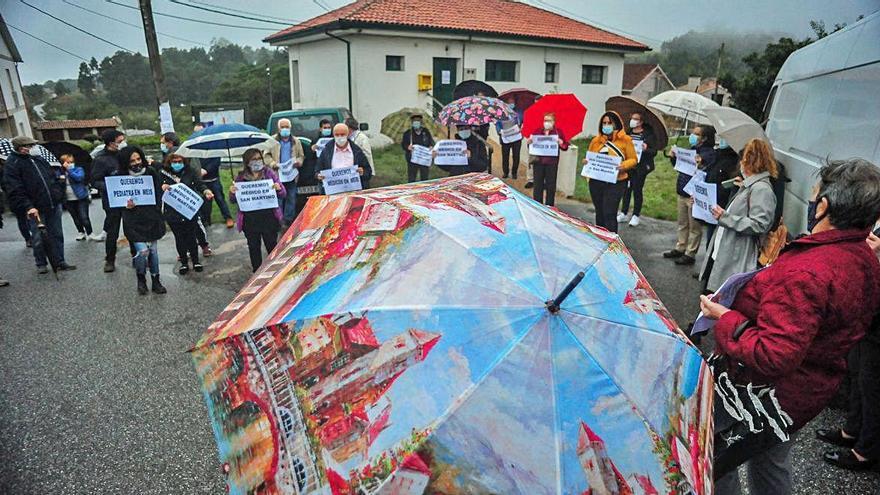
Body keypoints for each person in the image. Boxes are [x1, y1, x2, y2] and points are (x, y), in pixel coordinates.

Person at [700, 158, 880, 495]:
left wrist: (726, 317)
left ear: (824, 205)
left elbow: (773, 355)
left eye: (814, 197)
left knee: (714, 458)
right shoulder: (863, 256)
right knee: (769, 463)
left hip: (766, 393)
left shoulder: (809, 271)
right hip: (805, 391)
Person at [816, 227, 880, 472]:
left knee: (872, 386)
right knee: (857, 375)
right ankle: (851, 430)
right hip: (868, 316)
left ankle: (865, 450)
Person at [698, 139, 777, 294]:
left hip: (736, 253)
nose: (740, 163)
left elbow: (760, 224)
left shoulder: (761, 189)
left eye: (743, 159)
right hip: (725, 249)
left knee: (720, 295)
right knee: (711, 291)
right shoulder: (750, 185)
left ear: (750, 160)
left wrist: (725, 217)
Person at [2, 136, 76, 273]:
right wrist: (28, 206)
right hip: (35, 207)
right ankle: (41, 263)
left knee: (57, 233)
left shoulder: (39, 159)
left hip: (53, 202)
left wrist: (58, 192)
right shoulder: (13, 163)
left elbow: (52, 177)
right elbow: (15, 188)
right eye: (30, 145)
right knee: (38, 236)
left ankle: (60, 260)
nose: (34, 148)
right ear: (21, 147)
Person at [664, 125, 717, 266]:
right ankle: (680, 246)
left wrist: (701, 161)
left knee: (695, 226)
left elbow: (707, 166)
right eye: (693, 133)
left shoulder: (710, 153)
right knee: (682, 223)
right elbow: (681, 166)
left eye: (697, 134)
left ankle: (690, 252)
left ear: (704, 138)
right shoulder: (692, 150)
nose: (693, 136)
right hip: (682, 191)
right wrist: (674, 157)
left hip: (694, 195)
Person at [117, 146, 167, 295]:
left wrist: (163, 189)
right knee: (142, 251)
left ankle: (156, 280)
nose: (136, 163)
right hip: (133, 220)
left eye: (138, 159)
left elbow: (158, 191)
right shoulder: (120, 177)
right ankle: (141, 279)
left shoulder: (151, 172)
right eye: (132, 161)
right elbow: (115, 198)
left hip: (151, 217)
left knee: (153, 251)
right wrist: (125, 205)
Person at [229, 148, 286, 272]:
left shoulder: (269, 173)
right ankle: (257, 272)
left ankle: (275, 270)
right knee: (253, 247)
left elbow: (283, 194)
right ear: (247, 162)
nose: (257, 161)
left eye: (259, 158)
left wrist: (278, 188)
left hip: (269, 217)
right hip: (250, 219)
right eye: (254, 159)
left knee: (271, 245)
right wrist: (233, 192)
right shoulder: (240, 177)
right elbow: (233, 200)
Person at [159, 152, 213, 274]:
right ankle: (183, 262)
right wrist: (163, 187)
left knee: (191, 237)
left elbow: (199, 184)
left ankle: (196, 261)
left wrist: (206, 191)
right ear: (169, 162)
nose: (177, 164)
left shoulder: (190, 172)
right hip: (172, 212)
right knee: (179, 238)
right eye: (174, 162)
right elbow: (157, 189)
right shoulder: (163, 174)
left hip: (189, 210)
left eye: (180, 161)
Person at [584, 111, 637, 231]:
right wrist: (587, 163)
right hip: (597, 182)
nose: (606, 125)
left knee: (610, 212)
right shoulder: (596, 141)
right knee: (600, 212)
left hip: (616, 182)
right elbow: (590, 157)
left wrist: (623, 165)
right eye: (604, 123)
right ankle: (600, 241)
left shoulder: (626, 140)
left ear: (616, 124)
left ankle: (612, 244)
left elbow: (633, 159)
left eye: (609, 123)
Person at [91, 129, 127, 272]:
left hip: (128, 199)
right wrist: (110, 187)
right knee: (113, 231)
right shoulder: (100, 159)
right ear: (111, 143)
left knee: (132, 229)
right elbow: (94, 180)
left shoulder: (124, 155)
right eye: (120, 141)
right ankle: (110, 259)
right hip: (112, 201)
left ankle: (137, 256)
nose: (123, 143)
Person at [618, 112, 657, 227]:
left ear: (641, 122)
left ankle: (636, 215)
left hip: (641, 167)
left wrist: (646, 149)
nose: (633, 121)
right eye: (632, 118)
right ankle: (624, 212)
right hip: (628, 165)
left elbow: (653, 152)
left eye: (636, 119)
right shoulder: (628, 133)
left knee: (637, 189)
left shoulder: (648, 135)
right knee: (626, 189)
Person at [265, 118, 304, 226]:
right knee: (279, 198)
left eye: (287, 127)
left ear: (290, 128)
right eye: (282, 127)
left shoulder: (296, 141)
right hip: (277, 174)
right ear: (279, 128)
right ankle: (278, 220)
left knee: (291, 197)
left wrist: (299, 162)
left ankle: (288, 220)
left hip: (291, 174)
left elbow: (301, 156)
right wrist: (273, 164)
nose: (285, 129)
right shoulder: (272, 141)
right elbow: (266, 155)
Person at [702, 136, 741, 245]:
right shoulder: (717, 155)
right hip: (713, 205)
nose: (723, 140)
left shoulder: (734, 161)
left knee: (716, 242)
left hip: (722, 207)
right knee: (710, 241)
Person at [525, 112, 569, 206]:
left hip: (552, 163)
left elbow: (565, 147)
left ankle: (550, 206)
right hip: (538, 162)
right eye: (545, 120)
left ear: (553, 122)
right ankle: (537, 205)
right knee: (538, 185)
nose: (547, 122)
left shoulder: (558, 132)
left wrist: (561, 142)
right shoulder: (537, 131)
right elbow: (531, 147)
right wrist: (529, 142)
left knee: (551, 185)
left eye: (549, 120)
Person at [316, 123, 373, 187]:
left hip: (354, 190)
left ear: (348, 134)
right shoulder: (326, 151)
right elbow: (318, 171)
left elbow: (368, 171)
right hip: (334, 191)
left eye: (342, 134)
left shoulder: (356, 151)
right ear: (333, 135)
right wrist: (319, 176)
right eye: (337, 135)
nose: (340, 137)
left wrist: (363, 172)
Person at [58, 153, 93, 241]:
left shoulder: (78, 169)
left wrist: (70, 171)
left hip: (81, 197)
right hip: (68, 198)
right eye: (67, 162)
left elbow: (79, 178)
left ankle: (90, 232)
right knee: (75, 218)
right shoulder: (60, 172)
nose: (70, 164)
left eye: (71, 162)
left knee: (84, 217)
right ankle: (81, 232)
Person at [1, 156, 33, 247]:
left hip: (13, 196)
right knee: (24, 217)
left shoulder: (9, 167)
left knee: (22, 218)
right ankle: (30, 237)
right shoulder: (12, 166)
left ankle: (28, 238)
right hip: (17, 195)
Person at [496, 96, 524, 179]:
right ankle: (505, 172)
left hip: (516, 137)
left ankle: (514, 172)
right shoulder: (500, 112)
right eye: (509, 102)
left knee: (516, 156)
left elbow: (523, 122)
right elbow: (497, 123)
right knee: (505, 156)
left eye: (512, 102)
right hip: (505, 137)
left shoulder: (519, 112)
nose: (511, 104)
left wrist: (522, 130)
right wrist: (499, 131)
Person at [401, 114, 435, 182]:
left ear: (421, 122)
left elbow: (431, 142)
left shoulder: (425, 131)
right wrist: (408, 147)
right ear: (412, 122)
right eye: (414, 121)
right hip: (412, 159)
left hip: (424, 159)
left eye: (418, 121)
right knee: (411, 178)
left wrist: (431, 146)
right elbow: (403, 144)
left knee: (425, 177)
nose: (416, 122)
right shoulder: (408, 133)